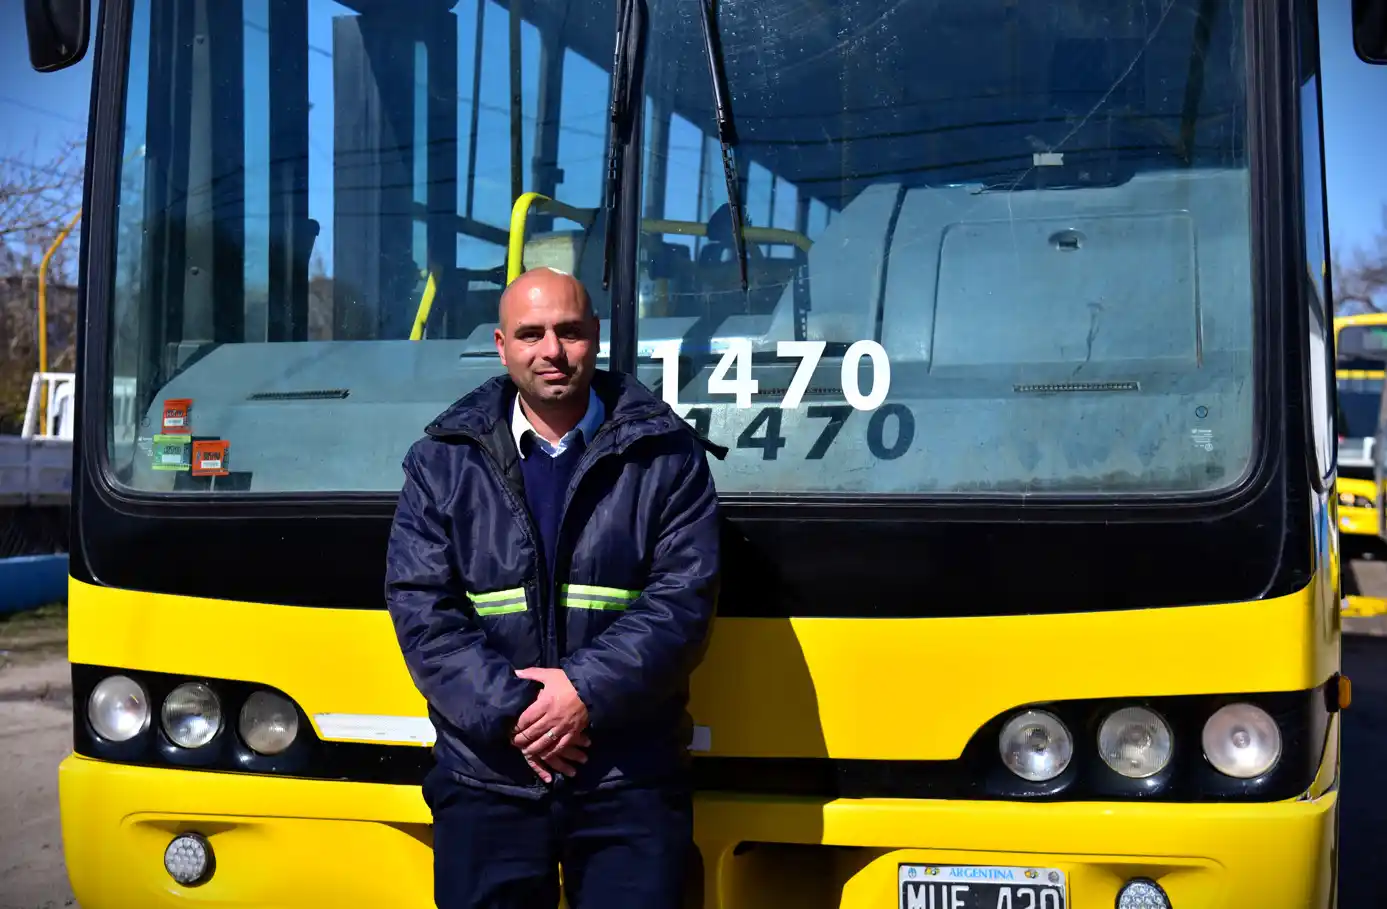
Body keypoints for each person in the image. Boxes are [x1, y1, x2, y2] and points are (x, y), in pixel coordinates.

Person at [384, 266, 723, 909]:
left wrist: (582, 693)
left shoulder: (668, 456)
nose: (552, 351)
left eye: (569, 332)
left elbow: (683, 603)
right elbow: (422, 609)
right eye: (531, 334)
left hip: (629, 779)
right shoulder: (442, 462)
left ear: (595, 335)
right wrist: (519, 713)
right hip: (488, 779)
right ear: (501, 345)